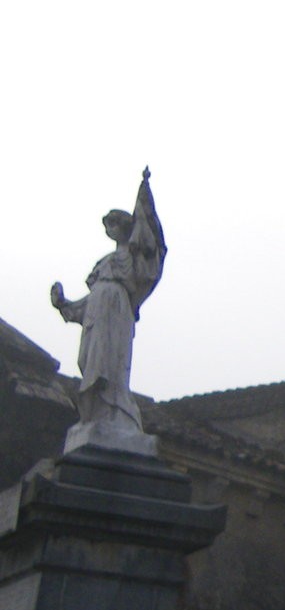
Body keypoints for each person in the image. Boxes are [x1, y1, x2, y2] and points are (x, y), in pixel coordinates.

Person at [50, 171, 166, 452]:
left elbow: (151, 261)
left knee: (109, 364)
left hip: (116, 315)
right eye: (108, 225)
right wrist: (64, 305)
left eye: (114, 224)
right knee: (87, 359)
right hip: (97, 314)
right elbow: (89, 301)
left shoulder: (134, 259)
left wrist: (144, 210)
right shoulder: (105, 264)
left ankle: (117, 416)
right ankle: (97, 416)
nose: (110, 229)